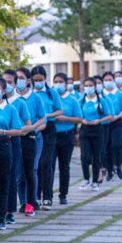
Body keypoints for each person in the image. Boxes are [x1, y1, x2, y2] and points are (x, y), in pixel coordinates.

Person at [0, 77, 23, 230]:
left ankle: (0, 217)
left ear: (3, 91)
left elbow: (18, 130)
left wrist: (4, 131)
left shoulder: (10, 109)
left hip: (3, 145)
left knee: (3, 183)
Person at [3, 69, 33, 226]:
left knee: (12, 177)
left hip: (13, 142)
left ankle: (10, 212)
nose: (6, 85)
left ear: (15, 85)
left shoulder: (19, 103)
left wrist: (12, 131)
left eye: (10, 82)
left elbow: (28, 125)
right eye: (4, 81)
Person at [15, 67, 46, 217]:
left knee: (31, 169)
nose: (18, 80)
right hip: (15, 138)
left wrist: (29, 128)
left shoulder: (35, 98)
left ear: (28, 81)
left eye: (21, 78)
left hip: (33, 137)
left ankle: (32, 201)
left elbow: (43, 120)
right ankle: (23, 202)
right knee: (19, 173)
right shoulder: (11, 98)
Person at [32, 66, 63, 210]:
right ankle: (35, 196)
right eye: (35, 80)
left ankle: (48, 197)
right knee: (34, 164)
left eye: (41, 80)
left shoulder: (51, 93)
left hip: (49, 128)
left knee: (46, 163)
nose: (38, 82)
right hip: (33, 128)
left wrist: (46, 116)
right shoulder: (29, 94)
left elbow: (59, 110)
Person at [53, 72, 83, 204]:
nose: (58, 84)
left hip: (66, 135)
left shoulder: (72, 100)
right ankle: (46, 195)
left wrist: (67, 119)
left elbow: (79, 118)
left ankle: (63, 194)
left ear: (66, 84)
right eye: (56, 81)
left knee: (64, 166)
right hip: (51, 135)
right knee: (47, 166)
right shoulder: (51, 98)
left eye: (60, 81)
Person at [78, 77, 113, 191]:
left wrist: (99, 120)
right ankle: (86, 178)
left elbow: (109, 116)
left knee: (97, 157)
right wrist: (82, 120)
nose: (88, 88)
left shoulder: (101, 101)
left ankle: (95, 181)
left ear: (95, 87)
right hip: (84, 130)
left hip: (97, 130)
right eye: (86, 86)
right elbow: (76, 115)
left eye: (90, 86)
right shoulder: (81, 100)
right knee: (85, 156)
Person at [101, 71, 122, 181]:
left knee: (116, 145)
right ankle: (109, 171)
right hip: (106, 123)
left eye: (110, 80)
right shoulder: (101, 95)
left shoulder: (119, 94)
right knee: (107, 148)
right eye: (106, 80)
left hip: (117, 122)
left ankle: (118, 165)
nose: (108, 82)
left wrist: (118, 116)